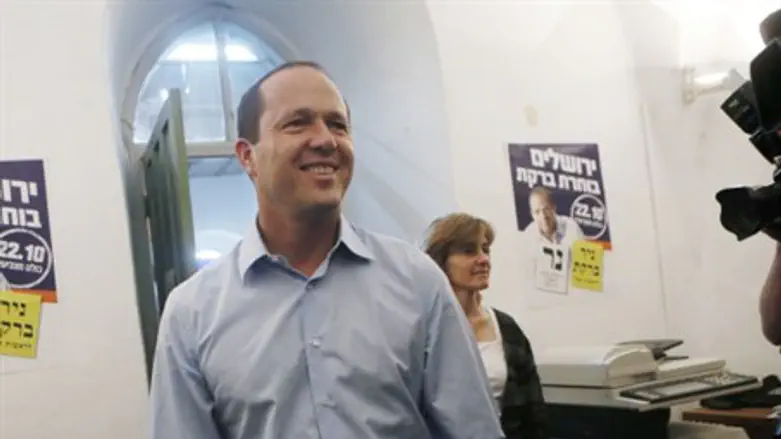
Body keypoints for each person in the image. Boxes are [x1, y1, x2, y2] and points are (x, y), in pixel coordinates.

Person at [149, 61, 505, 439]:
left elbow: (474, 430)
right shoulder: (193, 313)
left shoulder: (418, 283)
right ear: (247, 156)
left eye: (337, 124)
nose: (325, 140)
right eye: (297, 123)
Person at [424, 213, 548, 439]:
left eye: (485, 249)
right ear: (442, 261)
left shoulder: (507, 328)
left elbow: (534, 411)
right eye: (468, 251)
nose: (483, 259)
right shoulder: (424, 329)